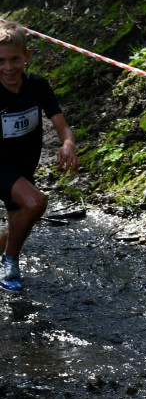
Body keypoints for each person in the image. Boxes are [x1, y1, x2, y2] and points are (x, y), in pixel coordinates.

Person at [0, 22, 78, 292]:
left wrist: (67, 144)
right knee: (35, 202)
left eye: (14, 59)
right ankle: (10, 260)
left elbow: (61, 122)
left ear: (27, 57)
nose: (8, 68)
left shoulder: (37, 86)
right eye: (0, 61)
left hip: (23, 163)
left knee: (20, 217)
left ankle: (5, 255)